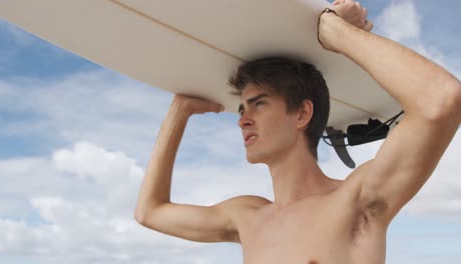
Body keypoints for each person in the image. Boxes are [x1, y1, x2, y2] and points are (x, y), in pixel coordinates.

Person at [134, 0, 461, 263]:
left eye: (259, 104)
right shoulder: (246, 217)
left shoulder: (356, 201)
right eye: (241, 108)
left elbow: (440, 100)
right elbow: (150, 212)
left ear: (302, 113)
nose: (243, 120)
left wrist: (332, 30)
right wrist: (180, 110)